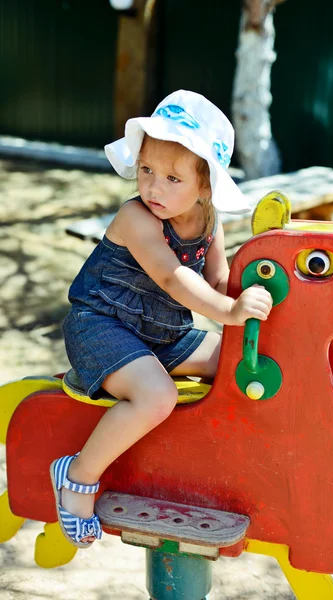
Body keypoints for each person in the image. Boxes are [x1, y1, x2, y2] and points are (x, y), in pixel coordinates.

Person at [50, 90, 273, 548]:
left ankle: (211, 461)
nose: (154, 187)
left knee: (241, 359)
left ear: (204, 186)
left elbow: (221, 279)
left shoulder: (210, 222)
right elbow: (173, 279)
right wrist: (230, 312)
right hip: (102, 327)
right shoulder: (136, 217)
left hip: (162, 335)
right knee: (157, 395)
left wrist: (254, 297)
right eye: (147, 170)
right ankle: (77, 476)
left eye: (173, 178)